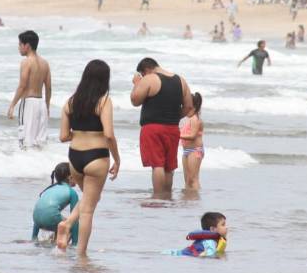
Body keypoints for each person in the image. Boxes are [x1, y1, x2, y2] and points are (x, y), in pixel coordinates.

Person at [56, 59, 121, 255]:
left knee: (90, 199)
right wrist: (117, 159)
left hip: (74, 158)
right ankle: (81, 254)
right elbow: (109, 134)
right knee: (88, 210)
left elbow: (63, 136)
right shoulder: (103, 101)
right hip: (96, 157)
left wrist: (80, 133)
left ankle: (67, 224)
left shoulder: (70, 102)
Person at [131, 57, 193, 197]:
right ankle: (167, 196)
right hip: (172, 128)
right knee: (169, 166)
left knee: (157, 164)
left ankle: (158, 197)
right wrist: (175, 117)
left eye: (142, 74)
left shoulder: (150, 78)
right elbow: (188, 106)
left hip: (152, 128)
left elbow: (135, 100)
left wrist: (136, 84)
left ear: (146, 70)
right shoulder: (180, 80)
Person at [7, 31, 51, 149]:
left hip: (29, 104)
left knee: (25, 143)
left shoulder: (26, 62)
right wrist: (47, 107)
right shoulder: (45, 63)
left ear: (27, 46)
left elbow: (22, 86)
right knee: (40, 144)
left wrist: (12, 105)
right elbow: (48, 88)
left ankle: (25, 165)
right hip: (41, 103)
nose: (18, 47)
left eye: (20, 44)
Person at [32, 163, 79, 245]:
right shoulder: (72, 192)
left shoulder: (49, 189)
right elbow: (74, 219)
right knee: (68, 225)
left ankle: (51, 243)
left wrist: (34, 238)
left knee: (61, 222)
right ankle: (58, 246)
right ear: (70, 177)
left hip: (36, 219)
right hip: (50, 218)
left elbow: (40, 210)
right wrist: (75, 244)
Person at [162, 212, 228, 257]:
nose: (226, 227)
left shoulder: (213, 241)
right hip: (180, 254)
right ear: (213, 229)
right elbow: (208, 255)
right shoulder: (210, 242)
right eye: (223, 225)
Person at [180, 92, 204, 191]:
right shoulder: (188, 119)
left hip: (195, 151)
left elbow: (192, 136)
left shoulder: (195, 119)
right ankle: (188, 195)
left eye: (186, 106)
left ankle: (195, 197)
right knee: (187, 179)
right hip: (187, 151)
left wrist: (177, 135)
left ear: (193, 107)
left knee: (193, 178)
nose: (184, 109)